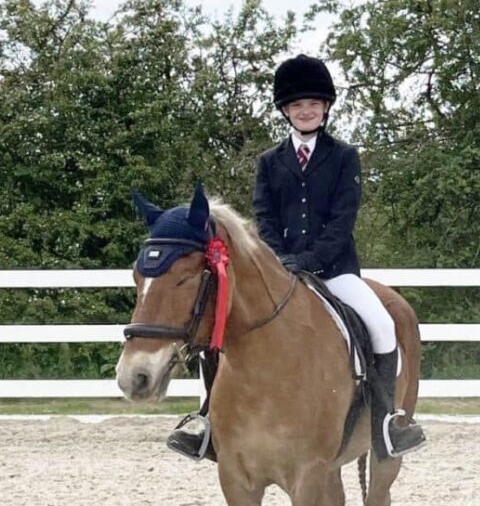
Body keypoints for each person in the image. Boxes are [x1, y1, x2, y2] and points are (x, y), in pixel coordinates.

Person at [168, 55, 425, 462]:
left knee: (380, 326)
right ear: (286, 110)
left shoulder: (343, 156)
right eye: (297, 105)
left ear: (325, 108)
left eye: (313, 104)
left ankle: (386, 423)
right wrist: (280, 260)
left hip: (335, 271)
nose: (306, 111)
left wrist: (310, 259)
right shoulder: (270, 162)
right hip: (279, 271)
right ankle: (207, 421)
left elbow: (343, 219)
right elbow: (264, 218)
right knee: (220, 331)